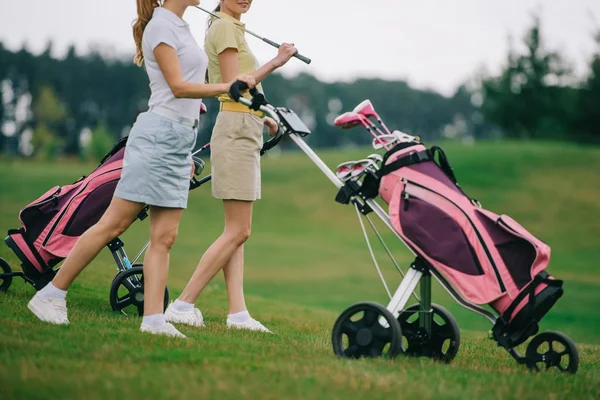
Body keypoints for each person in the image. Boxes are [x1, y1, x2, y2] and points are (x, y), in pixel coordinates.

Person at [26, 0, 255, 339]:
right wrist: (225, 87)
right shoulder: (160, 26)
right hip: (158, 137)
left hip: (180, 137)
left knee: (165, 237)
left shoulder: (182, 26)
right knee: (114, 223)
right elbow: (177, 86)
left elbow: (189, 83)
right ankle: (50, 295)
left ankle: (153, 321)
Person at [163, 0, 297, 333]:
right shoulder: (223, 26)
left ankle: (238, 314)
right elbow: (236, 86)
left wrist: (262, 116)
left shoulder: (232, 26)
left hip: (244, 128)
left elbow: (236, 92)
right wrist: (277, 61)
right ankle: (182, 305)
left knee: (235, 233)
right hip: (235, 132)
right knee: (239, 230)